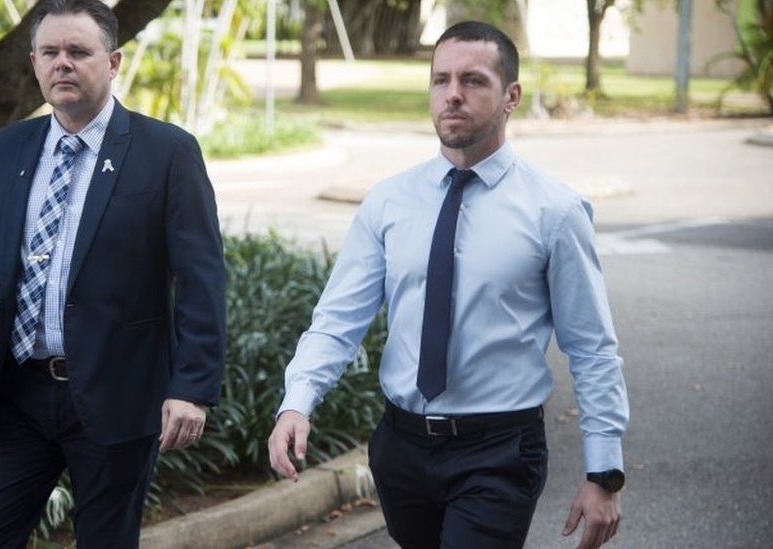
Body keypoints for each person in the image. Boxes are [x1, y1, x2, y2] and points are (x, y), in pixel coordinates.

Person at [267, 21, 628, 549]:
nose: (453, 94)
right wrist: (297, 402)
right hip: (401, 447)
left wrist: (604, 473)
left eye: (473, 81)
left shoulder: (555, 212)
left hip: (499, 452)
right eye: (441, 80)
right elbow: (337, 320)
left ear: (511, 97)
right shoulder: (389, 202)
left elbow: (592, 348)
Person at [0, 1, 225, 546]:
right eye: (50, 52)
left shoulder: (166, 152)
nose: (62, 64)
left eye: (78, 52)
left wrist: (192, 387)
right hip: (16, 396)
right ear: (33, 62)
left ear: (113, 61)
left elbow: (201, 278)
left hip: (115, 395)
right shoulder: (7, 147)